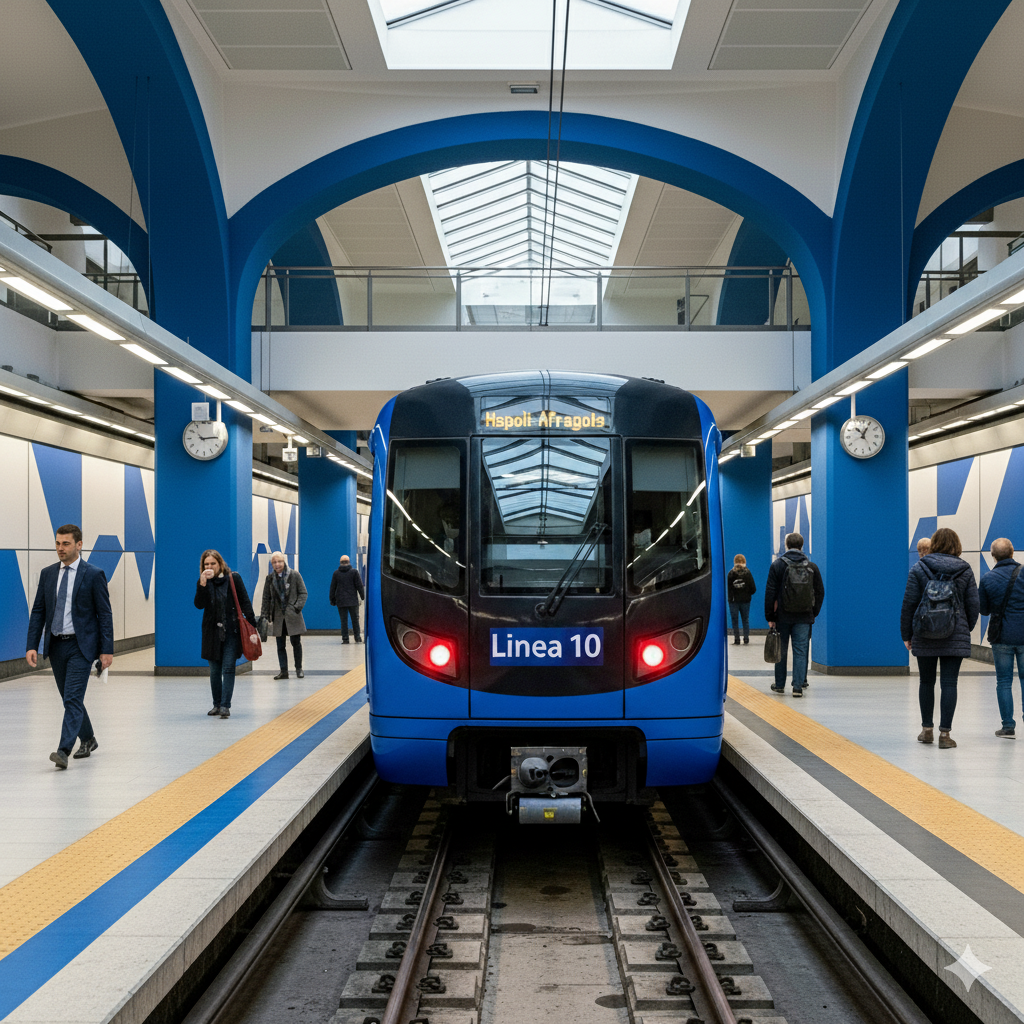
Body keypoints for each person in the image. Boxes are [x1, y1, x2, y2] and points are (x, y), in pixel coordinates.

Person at [26, 524, 114, 769]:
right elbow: (39, 612)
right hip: (56, 646)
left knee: (73, 697)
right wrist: (32, 644)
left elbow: (104, 614)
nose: (60, 548)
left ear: (79, 545)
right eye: (57, 543)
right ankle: (88, 738)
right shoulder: (48, 574)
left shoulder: (94, 574)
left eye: (65, 543)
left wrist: (107, 649)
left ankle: (63, 750)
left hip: (81, 646)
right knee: (69, 698)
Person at [900, 527, 979, 749]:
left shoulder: (919, 567)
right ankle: (945, 735)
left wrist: (907, 634)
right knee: (949, 683)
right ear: (957, 545)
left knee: (926, 681)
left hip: (924, 634)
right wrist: (964, 628)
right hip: (955, 634)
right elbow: (973, 605)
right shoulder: (965, 569)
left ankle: (927, 730)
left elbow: (909, 604)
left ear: (933, 544)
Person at [194, 549, 257, 719]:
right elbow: (199, 605)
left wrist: (253, 627)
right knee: (214, 670)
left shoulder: (233, 578)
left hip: (231, 631)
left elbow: (245, 602)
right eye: (206, 564)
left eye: (212, 563)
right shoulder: (203, 582)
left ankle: (225, 706)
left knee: (228, 668)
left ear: (220, 563)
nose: (209, 567)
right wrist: (202, 585)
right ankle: (216, 704)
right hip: (211, 632)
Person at [765, 532, 824, 697]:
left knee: (781, 650)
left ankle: (779, 684)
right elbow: (820, 592)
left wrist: (770, 616)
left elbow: (770, 593)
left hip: (782, 616)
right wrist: (813, 612)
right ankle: (798, 687)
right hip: (804, 617)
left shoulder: (777, 565)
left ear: (786, 545)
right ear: (802, 546)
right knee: (801, 650)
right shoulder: (812, 567)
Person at [978, 537, 1024, 738]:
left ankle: (1007, 726)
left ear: (993, 556)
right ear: (1013, 553)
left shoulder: (988, 578)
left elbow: (984, 610)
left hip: (1002, 636)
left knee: (1004, 681)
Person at [261, 551, 308, 679]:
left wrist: (296, 607)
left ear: (284, 562)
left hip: (293, 616)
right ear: (272, 564)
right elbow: (266, 598)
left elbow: (303, 593)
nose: (277, 564)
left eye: (279, 561)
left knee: (296, 643)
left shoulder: (294, 575)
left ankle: (299, 668)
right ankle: (284, 671)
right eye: (274, 562)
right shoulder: (270, 579)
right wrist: (264, 616)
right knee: (280, 645)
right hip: (278, 617)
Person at [330, 555, 365, 644]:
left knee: (343, 621)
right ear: (349, 562)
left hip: (341, 600)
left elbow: (333, 587)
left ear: (340, 563)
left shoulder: (336, 573)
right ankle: (357, 637)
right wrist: (362, 596)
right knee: (355, 620)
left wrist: (332, 599)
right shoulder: (354, 572)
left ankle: (345, 639)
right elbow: (359, 585)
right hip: (353, 600)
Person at [726, 553, 756, 645]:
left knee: (735, 620)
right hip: (746, 601)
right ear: (744, 562)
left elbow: (729, 589)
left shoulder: (731, 574)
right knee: (745, 620)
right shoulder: (748, 573)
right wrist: (747, 594)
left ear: (734, 562)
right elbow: (753, 588)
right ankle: (746, 638)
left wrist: (731, 599)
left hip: (734, 602)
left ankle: (737, 639)